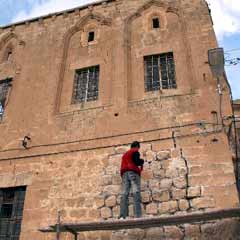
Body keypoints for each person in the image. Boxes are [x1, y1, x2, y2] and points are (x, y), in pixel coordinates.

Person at [119, 141, 144, 219]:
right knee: (136, 192)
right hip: (133, 172)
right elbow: (136, 162)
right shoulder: (135, 151)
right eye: (138, 148)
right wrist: (142, 161)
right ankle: (137, 215)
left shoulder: (124, 155)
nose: (138, 149)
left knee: (124, 193)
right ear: (137, 146)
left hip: (124, 174)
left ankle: (123, 216)